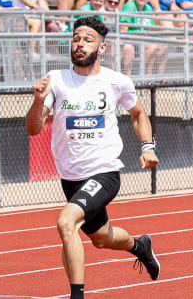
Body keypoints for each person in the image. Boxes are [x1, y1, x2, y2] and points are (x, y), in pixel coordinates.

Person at [25, 16, 161, 299]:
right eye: (76, 38)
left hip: (104, 171)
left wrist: (148, 146)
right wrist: (38, 100)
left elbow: (138, 113)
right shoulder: (56, 80)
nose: (80, 44)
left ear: (102, 47)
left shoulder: (116, 81)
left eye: (87, 40)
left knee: (66, 222)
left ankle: (77, 296)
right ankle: (139, 246)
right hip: (71, 177)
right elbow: (34, 128)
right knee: (100, 238)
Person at [120, 0, 168, 76]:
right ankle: (147, 76)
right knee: (151, 47)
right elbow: (123, 28)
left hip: (144, 38)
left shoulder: (148, 8)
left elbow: (150, 27)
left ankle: (161, 77)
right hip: (131, 38)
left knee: (164, 47)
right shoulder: (130, 6)